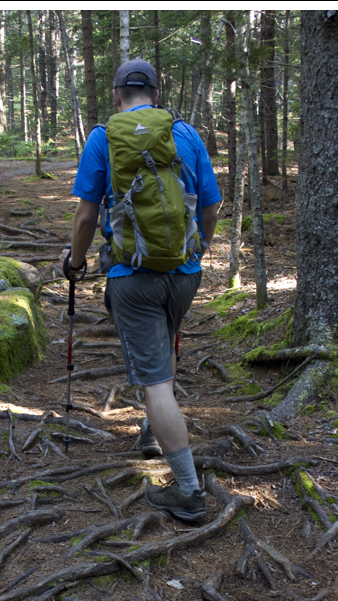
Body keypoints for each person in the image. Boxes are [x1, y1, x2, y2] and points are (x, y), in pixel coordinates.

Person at [64, 59, 220, 522]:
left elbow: (87, 216)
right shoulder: (185, 134)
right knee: (163, 351)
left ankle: (189, 493)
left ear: (116, 95)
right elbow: (211, 205)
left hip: (132, 278)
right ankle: (153, 433)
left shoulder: (102, 137)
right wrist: (199, 250)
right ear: (156, 91)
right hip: (184, 272)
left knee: (153, 382)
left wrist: (75, 263)